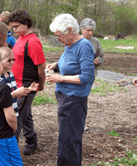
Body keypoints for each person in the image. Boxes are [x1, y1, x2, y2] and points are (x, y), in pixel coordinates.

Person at [45, 13, 95, 166]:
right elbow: (70, 63)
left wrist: (60, 78)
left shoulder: (84, 45)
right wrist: (56, 65)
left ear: (69, 30)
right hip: (65, 98)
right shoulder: (69, 45)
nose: (58, 39)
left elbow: (87, 77)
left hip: (73, 100)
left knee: (69, 141)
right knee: (67, 138)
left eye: (59, 36)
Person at [7, 9, 46, 155]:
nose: (14, 30)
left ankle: (11, 156)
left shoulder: (33, 42)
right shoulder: (20, 38)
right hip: (15, 85)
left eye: (16, 26)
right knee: (25, 114)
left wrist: (40, 86)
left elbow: (41, 67)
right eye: (13, 27)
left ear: (25, 24)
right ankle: (31, 140)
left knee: (16, 120)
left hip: (26, 87)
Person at [0, 47, 39, 121]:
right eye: (9, 60)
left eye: (13, 59)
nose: (12, 62)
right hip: (3, 116)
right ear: (0, 61)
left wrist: (29, 89)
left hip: (13, 111)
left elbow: (13, 92)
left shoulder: (10, 75)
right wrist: (15, 94)